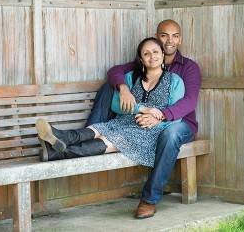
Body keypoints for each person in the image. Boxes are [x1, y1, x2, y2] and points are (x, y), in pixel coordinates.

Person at [86, 19, 201, 219]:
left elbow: (189, 102)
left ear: (180, 39)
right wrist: (123, 89)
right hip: (139, 122)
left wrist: (161, 116)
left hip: (178, 123)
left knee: (171, 134)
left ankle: (149, 199)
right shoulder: (149, 57)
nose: (169, 40)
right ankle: (87, 136)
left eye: (174, 35)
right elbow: (114, 71)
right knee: (110, 86)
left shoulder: (188, 68)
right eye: (164, 35)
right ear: (157, 38)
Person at [35, 37, 185, 186]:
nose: (152, 56)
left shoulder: (175, 81)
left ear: (163, 55)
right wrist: (141, 108)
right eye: (146, 54)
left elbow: (176, 117)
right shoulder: (131, 77)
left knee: (110, 139)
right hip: (122, 122)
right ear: (141, 59)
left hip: (149, 132)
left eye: (155, 52)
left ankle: (57, 152)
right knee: (99, 128)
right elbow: (115, 105)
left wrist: (156, 119)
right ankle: (60, 137)